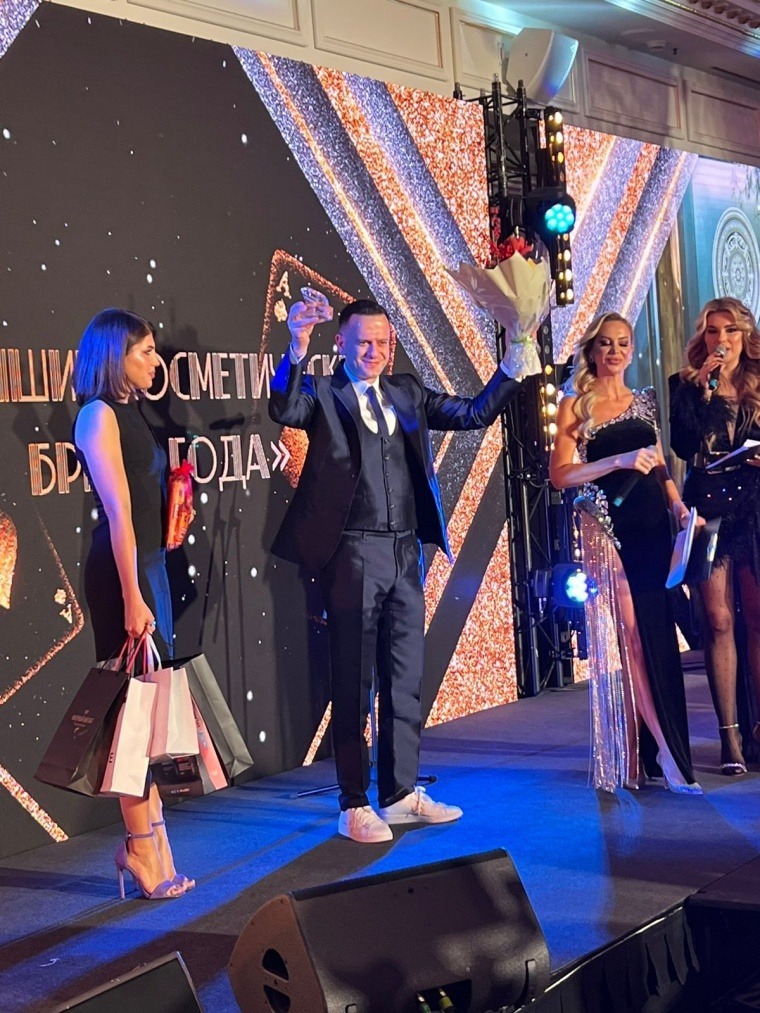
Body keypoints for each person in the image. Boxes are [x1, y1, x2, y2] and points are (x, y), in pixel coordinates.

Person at [269, 295, 525, 842]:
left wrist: (514, 361)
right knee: (354, 680)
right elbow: (284, 410)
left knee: (405, 678)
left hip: (406, 552)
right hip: (351, 553)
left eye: (383, 342)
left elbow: (473, 414)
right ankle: (353, 803)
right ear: (341, 343)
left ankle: (400, 793)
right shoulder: (322, 391)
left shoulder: (407, 391)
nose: (375, 352)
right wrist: (296, 346)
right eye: (364, 342)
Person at [550, 312, 701, 794]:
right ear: (592, 351)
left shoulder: (646, 400)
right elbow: (560, 475)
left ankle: (644, 756)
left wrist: (678, 508)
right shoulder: (575, 405)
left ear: (632, 350)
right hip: (607, 527)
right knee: (632, 636)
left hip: (652, 525)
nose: (614, 351)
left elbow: (659, 466)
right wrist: (615, 460)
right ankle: (668, 757)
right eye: (606, 343)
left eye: (622, 343)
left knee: (657, 634)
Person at [73, 308, 191, 898]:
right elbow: (118, 514)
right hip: (125, 573)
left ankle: (156, 843)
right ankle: (140, 849)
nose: (155, 362)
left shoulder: (132, 411)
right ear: (114, 357)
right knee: (131, 715)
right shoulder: (97, 415)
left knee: (151, 710)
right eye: (145, 351)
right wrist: (132, 596)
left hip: (148, 568)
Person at [668, 297, 760, 775]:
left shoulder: (758, 383)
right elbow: (684, 446)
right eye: (712, 331)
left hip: (754, 504)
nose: (721, 340)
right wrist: (703, 392)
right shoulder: (685, 385)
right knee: (718, 620)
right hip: (708, 508)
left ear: (746, 336)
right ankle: (730, 737)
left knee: (758, 617)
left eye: (730, 331)